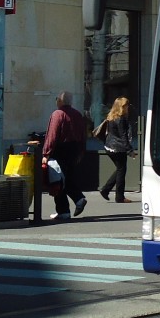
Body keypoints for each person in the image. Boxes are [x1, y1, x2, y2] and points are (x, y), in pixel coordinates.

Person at [42, 90, 88, 220]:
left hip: (61, 149)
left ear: (60, 101)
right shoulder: (78, 114)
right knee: (67, 178)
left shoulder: (58, 114)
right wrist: (82, 151)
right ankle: (78, 199)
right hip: (74, 149)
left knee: (57, 179)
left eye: (57, 98)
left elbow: (52, 135)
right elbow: (83, 135)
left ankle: (63, 210)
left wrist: (46, 153)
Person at [98, 97, 135, 204]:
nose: (128, 107)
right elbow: (123, 137)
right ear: (122, 107)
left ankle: (105, 190)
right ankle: (119, 197)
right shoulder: (121, 119)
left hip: (109, 147)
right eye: (126, 106)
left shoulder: (111, 117)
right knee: (121, 171)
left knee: (120, 169)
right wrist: (130, 150)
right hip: (118, 148)